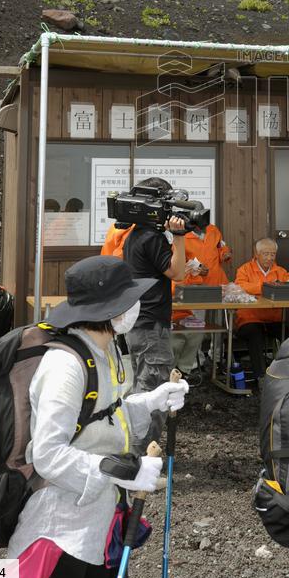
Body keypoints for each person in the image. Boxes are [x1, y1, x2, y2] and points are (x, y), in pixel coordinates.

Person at [0, 255, 188, 578]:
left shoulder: (105, 350)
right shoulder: (65, 365)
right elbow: (48, 454)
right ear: (111, 309)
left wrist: (152, 401)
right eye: (130, 300)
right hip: (61, 527)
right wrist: (122, 470)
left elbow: (104, 414)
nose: (137, 306)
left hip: (100, 518)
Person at [120, 177, 187, 451]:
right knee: (154, 391)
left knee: (141, 387)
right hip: (151, 328)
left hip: (139, 324)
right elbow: (178, 272)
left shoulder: (135, 235)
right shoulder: (151, 237)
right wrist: (179, 237)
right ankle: (139, 455)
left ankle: (133, 448)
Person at [235, 238, 289, 383]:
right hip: (250, 318)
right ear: (257, 254)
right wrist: (266, 286)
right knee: (255, 335)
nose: (269, 258)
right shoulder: (245, 269)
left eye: (272, 254)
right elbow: (240, 287)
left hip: (275, 318)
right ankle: (261, 377)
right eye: (266, 254)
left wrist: (263, 288)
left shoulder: (280, 271)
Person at [172, 234, 229, 376]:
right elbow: (174, 288)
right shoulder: (183, 237)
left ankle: (213, 359)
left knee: (211, 326)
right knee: (194, 326)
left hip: (214, 285)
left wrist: (195, 273)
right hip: (180, 303)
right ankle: (192, 364)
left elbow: (222, 248)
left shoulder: (213, 230)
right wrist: (185, 273)